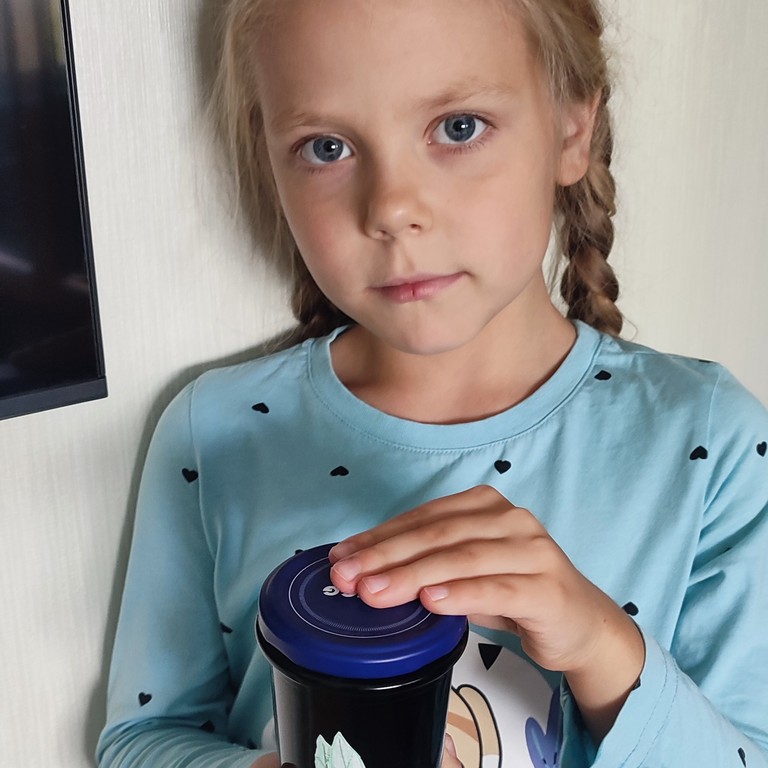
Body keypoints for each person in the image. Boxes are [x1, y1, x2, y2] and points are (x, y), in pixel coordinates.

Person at [96, 0, 768, 766]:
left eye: (458, 127)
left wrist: (599, 644)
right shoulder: (215, 432)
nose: (392, 208)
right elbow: (141, 739)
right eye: (326, 146)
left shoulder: (709, 443)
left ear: (572, 130)